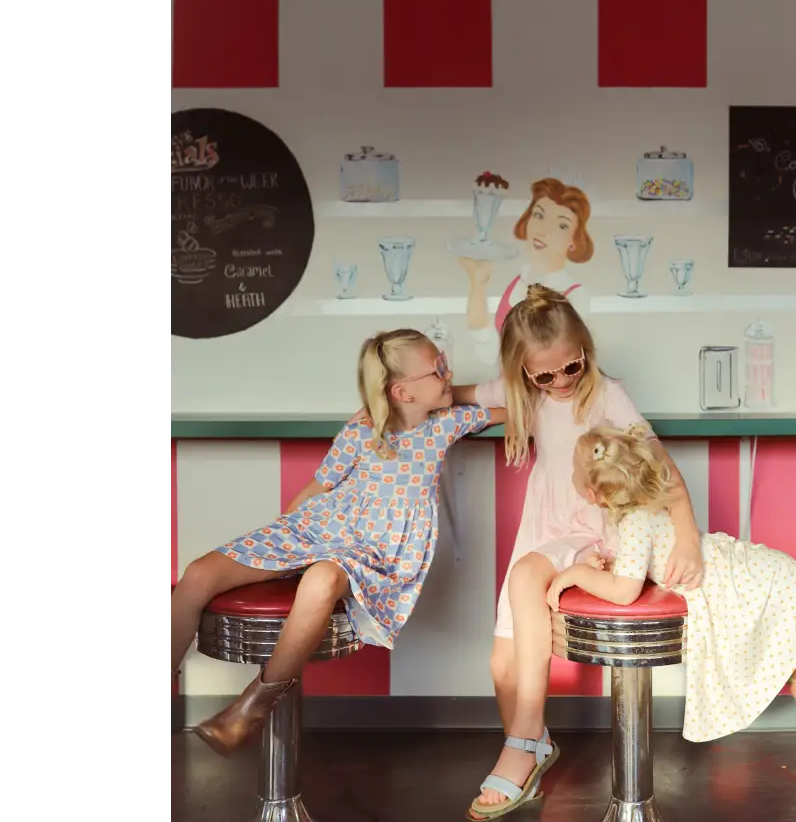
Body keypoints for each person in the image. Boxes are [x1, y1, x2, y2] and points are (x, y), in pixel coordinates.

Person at [168, 328, 503, 757]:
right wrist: (277, 543)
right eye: (438, 368)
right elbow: (315, 490)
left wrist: (448, 390)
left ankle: (251, 708)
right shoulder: (360, 431)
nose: (448, 372)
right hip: (319, 527)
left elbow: (517, 405)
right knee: (198, 573)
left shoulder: (447, 423)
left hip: (376, 549)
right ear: (401, 390)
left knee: (322, 579)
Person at [449, 285, 705, 820]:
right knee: (501, 665)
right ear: (523, 373)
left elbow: (659, 465)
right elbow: (459, 394)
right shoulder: (524, 393)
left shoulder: (606, 395)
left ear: (584, 350)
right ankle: (534, 744)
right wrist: (393, 401)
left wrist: (688, 535)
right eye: (546, 376)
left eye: (572, 366)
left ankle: (520, 745)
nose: (562, 382)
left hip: (594, 533)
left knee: (524, 578)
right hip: (543, 530)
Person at [548, 425, 796, 810]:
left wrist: (574, 574)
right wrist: (605, 567)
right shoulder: (645, 513)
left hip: (760, 588)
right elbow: (635, 570)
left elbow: (624, 590)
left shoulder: (636, 523)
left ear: (593, 494)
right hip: (752, 585)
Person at [459, 177, 594, 367]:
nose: (543, 230)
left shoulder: (576, 295)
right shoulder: (519, 280)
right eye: (539, 215)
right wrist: (477, 282)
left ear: (574, 240)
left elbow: (566, 366)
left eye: (562, 225)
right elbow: (490, 352)